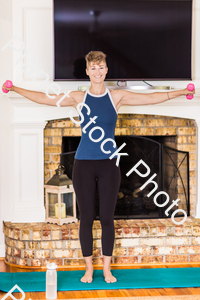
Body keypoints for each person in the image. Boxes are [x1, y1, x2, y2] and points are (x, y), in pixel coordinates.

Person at [2, 51, 195, 284]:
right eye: (93, 67)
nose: (97, 71)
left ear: (106, 70)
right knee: (86, 219)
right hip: (83, 164)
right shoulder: (78, 97)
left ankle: (106, 269)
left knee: (106, 218)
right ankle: (88, 270)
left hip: (108, 166)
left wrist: (182, 91)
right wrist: (15, 89)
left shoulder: (117, 97)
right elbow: (45, 98)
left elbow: (152, 98)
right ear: (87, 71)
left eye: (101, 67)